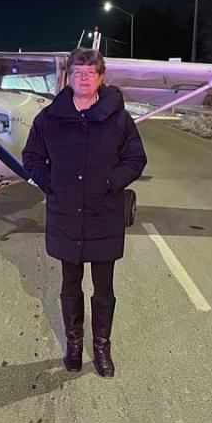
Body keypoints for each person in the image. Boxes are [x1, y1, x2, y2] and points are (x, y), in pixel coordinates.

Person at [22, 48, 147, 378]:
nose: (83, 77)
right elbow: (31, 157)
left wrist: (111, 183)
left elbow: (135, 159)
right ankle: (74, 343)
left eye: (90, 72)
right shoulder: (50, 117)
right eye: (77, 72)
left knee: (104, 287)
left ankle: (102, 346)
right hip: (66, 214)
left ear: (101, 77)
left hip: (103, 213)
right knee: (70, 283)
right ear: (68, 76)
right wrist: (52, 184)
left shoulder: (118, 118)